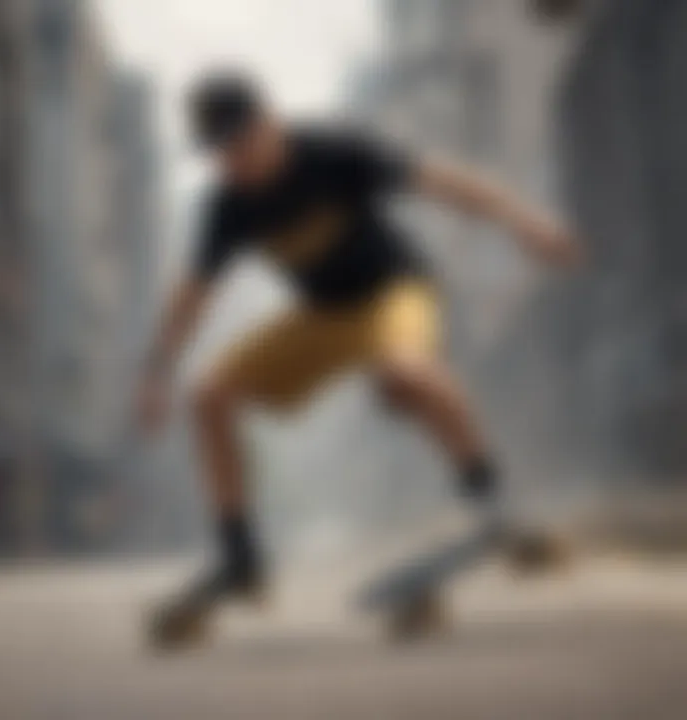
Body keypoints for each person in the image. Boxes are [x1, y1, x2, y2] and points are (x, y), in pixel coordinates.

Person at [136, 71, 580, 635]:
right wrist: (156, 370)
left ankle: (494, 505)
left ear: (269, 123)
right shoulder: (228, 205)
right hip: (323, 316)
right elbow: (193, 294)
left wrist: (525, 221)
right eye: (221, 155)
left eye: (242, 146)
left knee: (406, 373)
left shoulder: (333, 152)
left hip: (394, 292)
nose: (235, 165)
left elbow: (444, 183)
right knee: (208, 394)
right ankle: (240, 557)